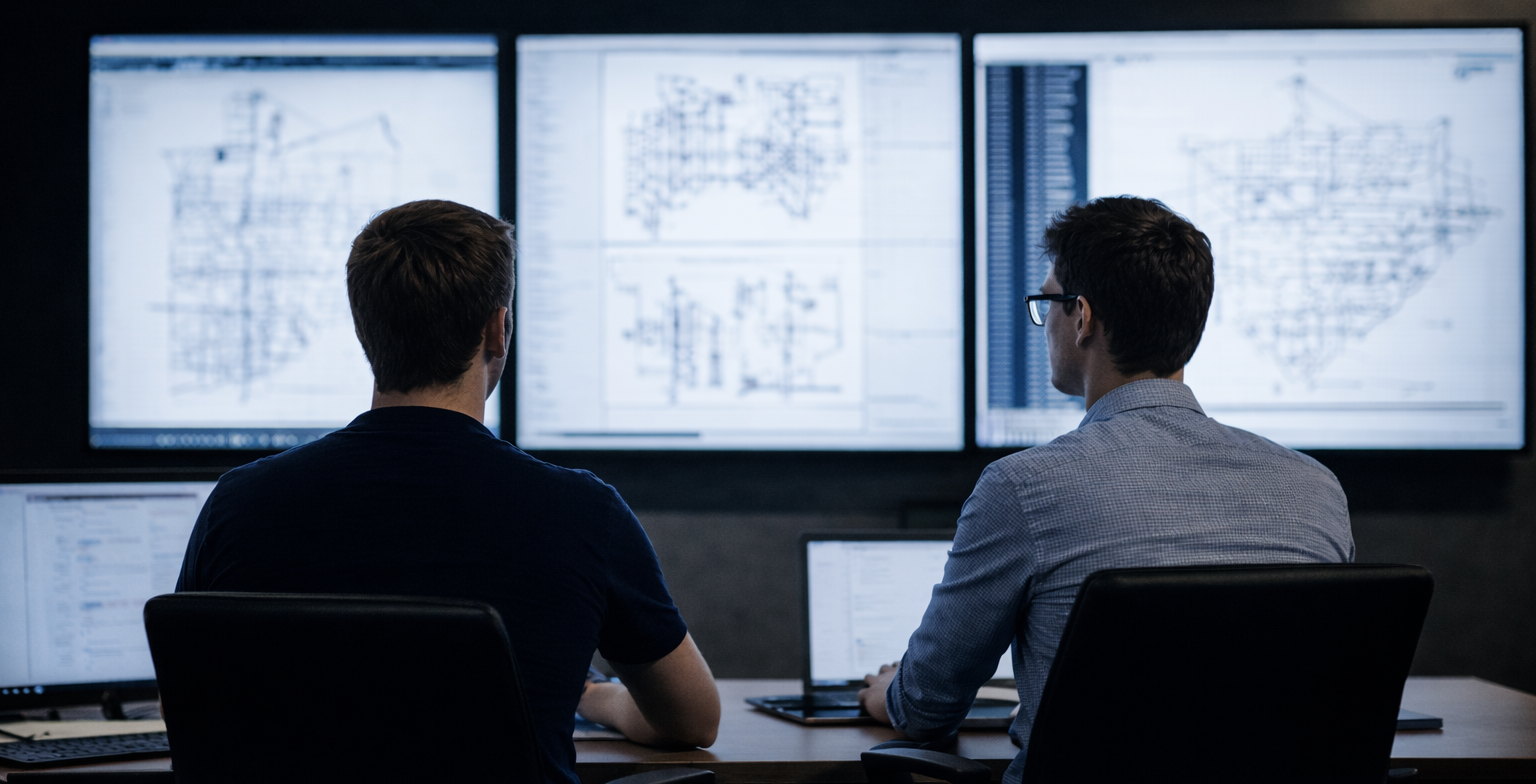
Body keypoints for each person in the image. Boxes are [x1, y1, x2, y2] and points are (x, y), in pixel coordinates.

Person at [175, 200, 720, 784]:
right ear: (497, 329)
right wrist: (596, 698)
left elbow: (184, 711)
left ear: (363, 328)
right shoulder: (581, 512)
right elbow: (691, 720)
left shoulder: (240, 505)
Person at [857, 196, 1354, 782]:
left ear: (1083, 317)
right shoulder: (1316, 489)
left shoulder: (1023, 488)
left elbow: (926, 708)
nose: (1047, 324)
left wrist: (886, 692)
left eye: (1048, 304)